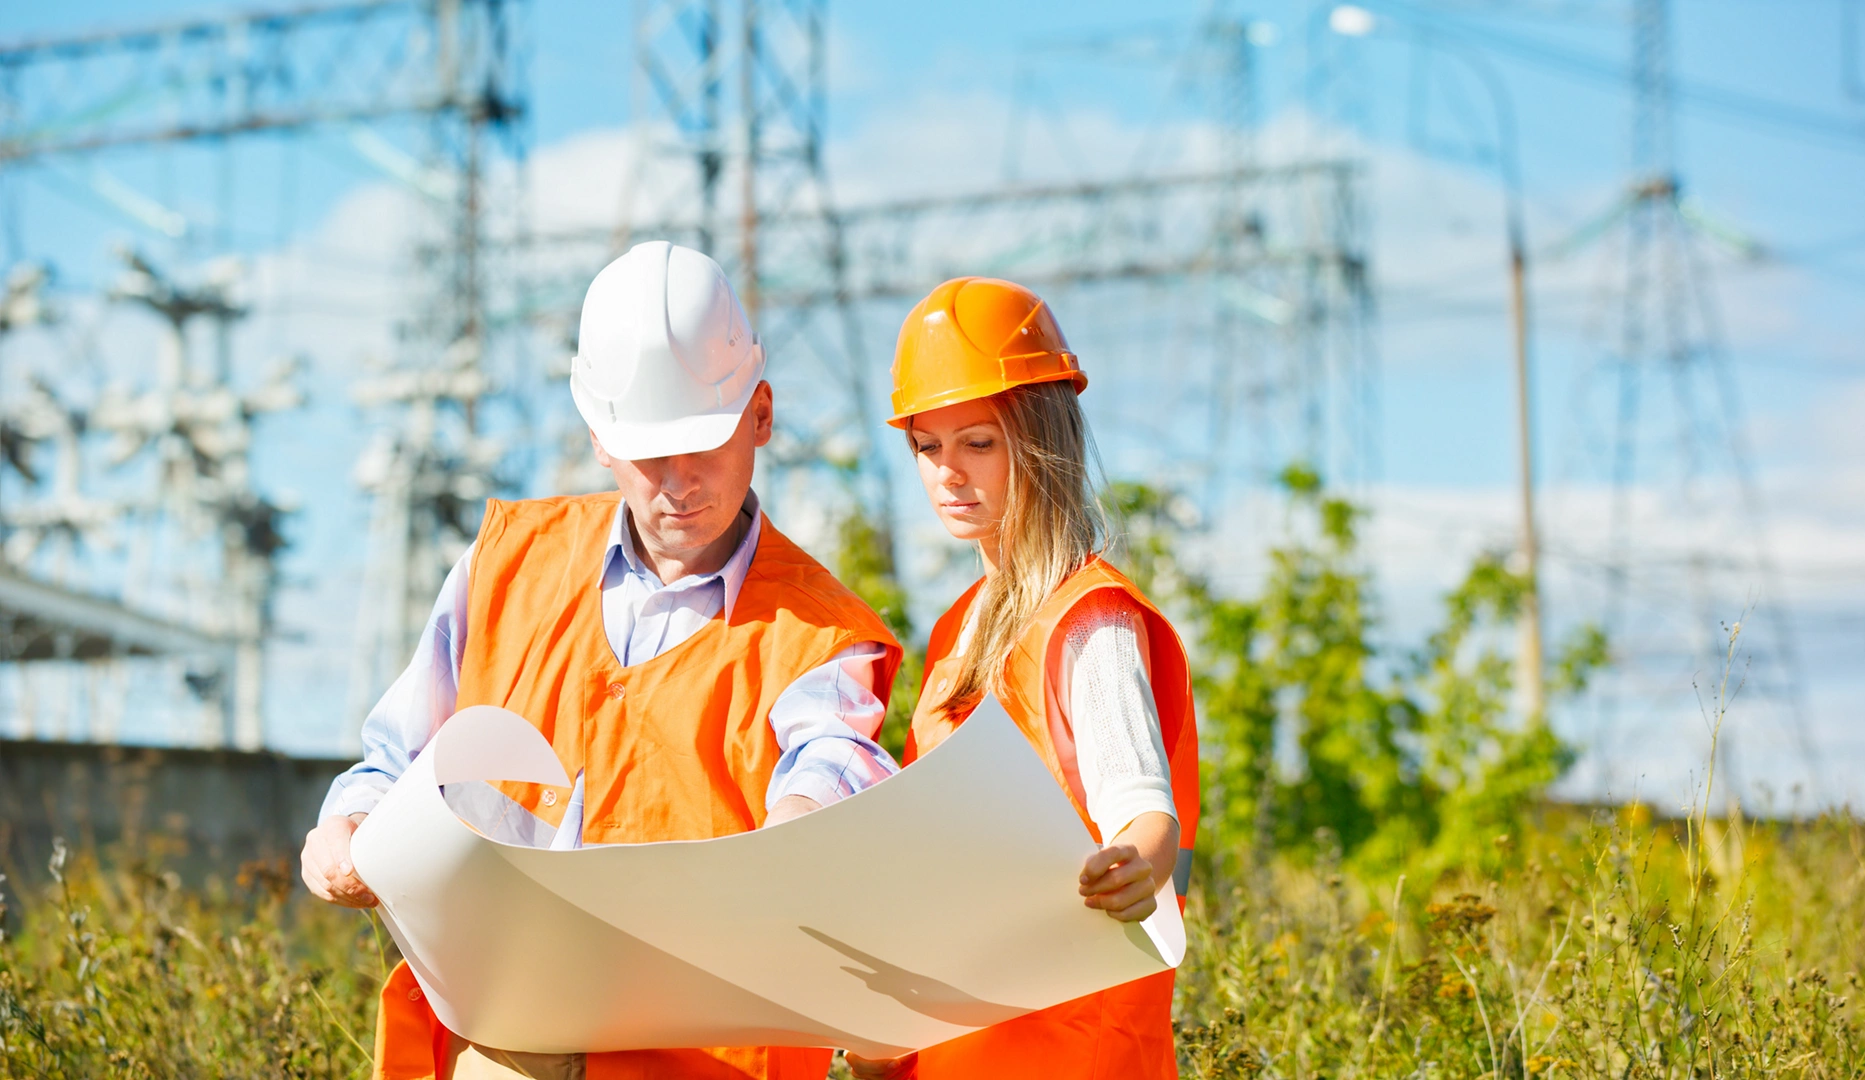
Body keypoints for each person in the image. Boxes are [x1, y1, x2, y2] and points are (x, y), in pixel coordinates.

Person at [301, 240, 903, 1080]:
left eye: (706, 446)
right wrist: (345, 828)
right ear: (598, 437)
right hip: (504, 1041)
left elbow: (833, 754)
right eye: (650, 456)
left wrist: (805, 827)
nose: (680, 483)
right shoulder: (504, 564)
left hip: (706, 1065)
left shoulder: (821, 630)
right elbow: (396, 761)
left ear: (760, 415)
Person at [851, 277, 1200, 1080]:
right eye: (928, 447)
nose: (948, 472)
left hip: (1070, 1052)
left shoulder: (1092, 620)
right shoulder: (956, 631)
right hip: (954, 1049)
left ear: (1041, 437)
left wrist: (1133, 867)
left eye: (978, 442)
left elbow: (1144, 816)